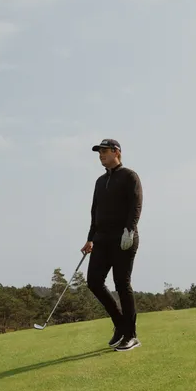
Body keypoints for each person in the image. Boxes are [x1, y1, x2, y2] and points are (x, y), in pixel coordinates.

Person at [81, 138, 143, 351]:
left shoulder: (129, 176)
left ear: (117, 152)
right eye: (99, 153)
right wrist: (90, 238)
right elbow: (95, 212)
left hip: (124, 239)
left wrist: (130, 230)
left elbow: (136, 205)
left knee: (121, 284)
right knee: (94, 281)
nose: (101, 155)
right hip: (102, 239)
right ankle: (120, 324)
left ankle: (131, 335)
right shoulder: (100, 181)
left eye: (105, 151)